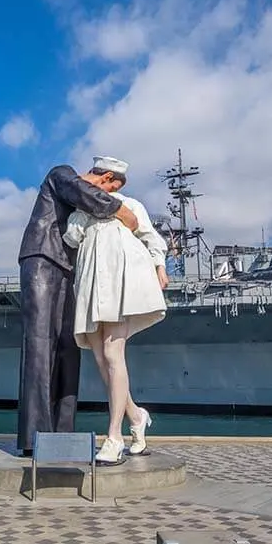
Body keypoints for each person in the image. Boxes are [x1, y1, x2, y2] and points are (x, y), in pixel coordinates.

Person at [15, 159, 139, 456]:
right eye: (111, 189)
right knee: (40, 345)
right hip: (42, 259)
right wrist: (122, 211)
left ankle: (62, 435)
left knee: (68, 347)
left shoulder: (83, 201)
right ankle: (34, 437)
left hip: (70, 268)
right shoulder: (62, 174)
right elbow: (81, 191)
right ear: (106, 177)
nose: (110, 195)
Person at [62, 156, 169, 464]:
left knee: (112, 354)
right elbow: (72, 236)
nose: (90, 179)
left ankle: (113, 436)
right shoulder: (85, 209)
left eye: (97, 176)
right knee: (100, 359)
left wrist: (159, 266)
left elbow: (150, 236)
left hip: (121, 281)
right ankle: (136, 416)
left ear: (111, 180)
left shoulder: (132, 205)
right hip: (92, 282)